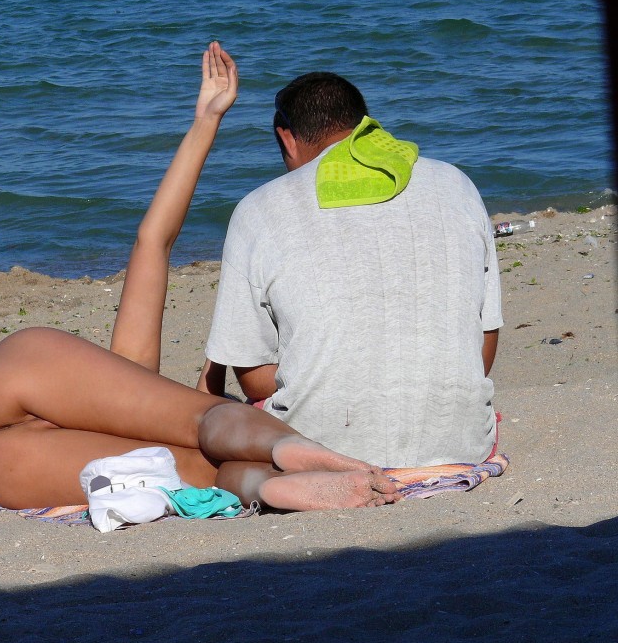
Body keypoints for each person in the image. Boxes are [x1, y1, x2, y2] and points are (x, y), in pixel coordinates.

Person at [0, 44, 400, 511]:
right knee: (208, 462)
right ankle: (268, 475)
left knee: (204, 423)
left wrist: (206, 121)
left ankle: (278, 454)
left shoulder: (139, 399)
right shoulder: (163, 437)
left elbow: (153, 241)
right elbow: (153, 244)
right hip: (34, 466)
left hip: (17, 426)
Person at [205, 72, 503, 469]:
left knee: (221, 416)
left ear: (286, 138)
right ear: (361, 125)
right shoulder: (456, 184)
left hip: (317, 454)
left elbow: (255, 378)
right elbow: (483, 342)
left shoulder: (258, 209)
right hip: (462, 445)